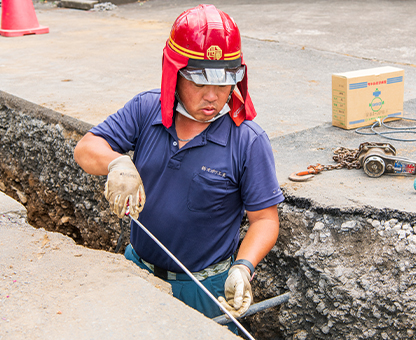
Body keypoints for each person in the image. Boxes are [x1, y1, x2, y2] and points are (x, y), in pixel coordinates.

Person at [74, 3, 284, 326]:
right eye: (200, 83)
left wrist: (243, 267)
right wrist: (117, 162)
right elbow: (86, 149)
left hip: (205, 288)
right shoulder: (147, 111)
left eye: (224, 83)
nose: (213, 96)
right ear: (175, 73)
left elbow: (265, 220)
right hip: (137, 271)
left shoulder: (247, 141)